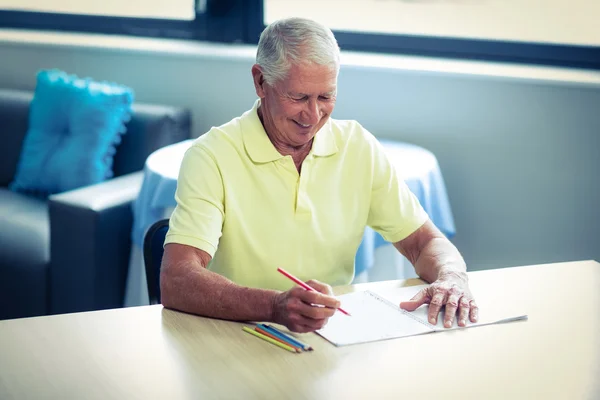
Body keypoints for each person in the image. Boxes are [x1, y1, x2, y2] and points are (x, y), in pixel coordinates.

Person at [161, 17, 478, 333]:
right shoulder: (211, 155)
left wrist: (452, 277)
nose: (313, 116)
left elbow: (425, 243)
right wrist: (274, 306)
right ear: (260, 82)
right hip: (235, 334)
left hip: (329, 335)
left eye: (325, 97)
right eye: (298, 98)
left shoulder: (357, 146)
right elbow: (176, 278)